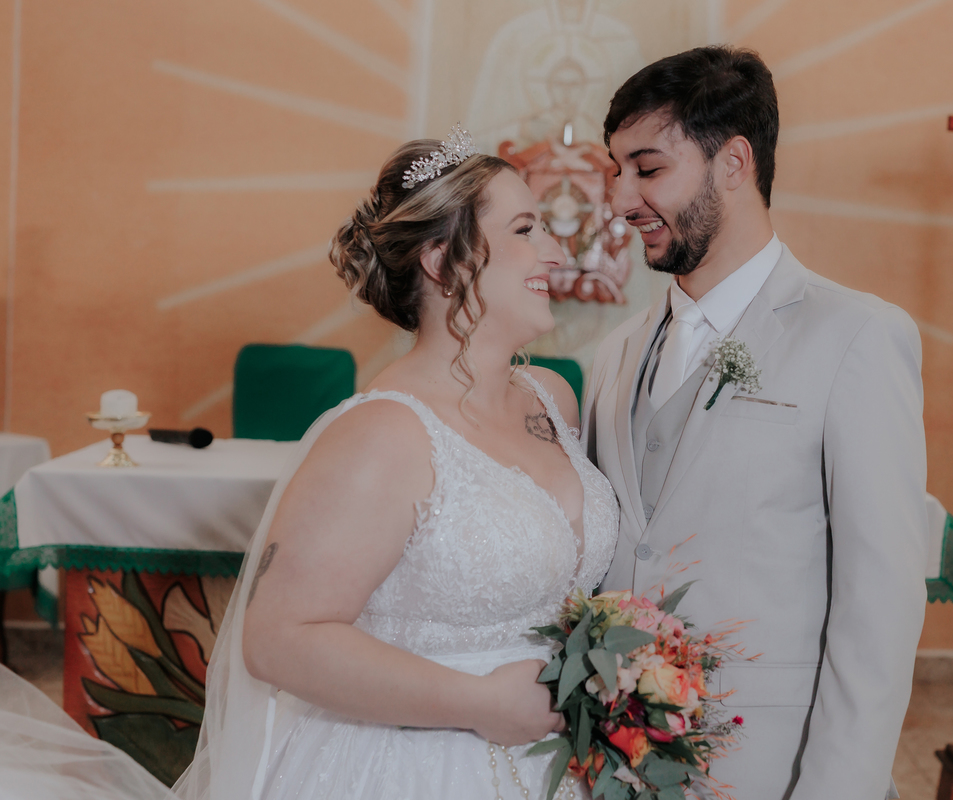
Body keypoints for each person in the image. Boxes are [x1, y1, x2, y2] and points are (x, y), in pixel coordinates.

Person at [0, 130, 620, 800]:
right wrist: (480, 702)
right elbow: (279, 639)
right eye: (526, 229)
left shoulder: (552, 399)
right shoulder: (384, 433)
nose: (556, 252)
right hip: (426, 764)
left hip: (565, 758)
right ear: (443, 260)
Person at [583, 47, 928, 799]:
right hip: (616, 767)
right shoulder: (614, 355)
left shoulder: (858, 337)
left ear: (734, 162)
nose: (620, 199)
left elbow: (881, 605)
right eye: (616, 171)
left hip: (772, 768)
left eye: (647, 169)